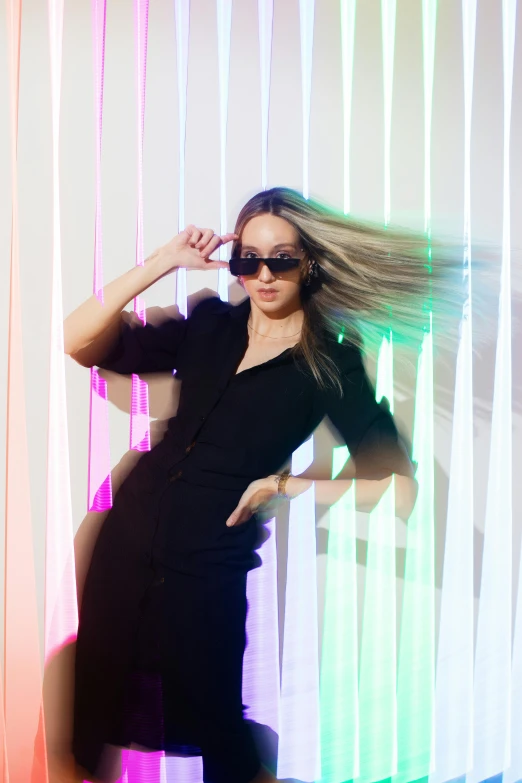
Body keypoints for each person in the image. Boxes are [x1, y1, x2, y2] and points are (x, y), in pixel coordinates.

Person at [63, 185, 458, 783]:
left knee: (221, 732)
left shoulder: (329, 363)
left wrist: (286, 485)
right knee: (93, 709)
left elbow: (395, 480)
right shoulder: (209, 324)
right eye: (248, 258)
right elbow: (80, 342)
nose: (263, 274)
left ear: (310, 262)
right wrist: (164, 260)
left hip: (210, 562)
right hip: (126, 538)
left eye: (282, 258)